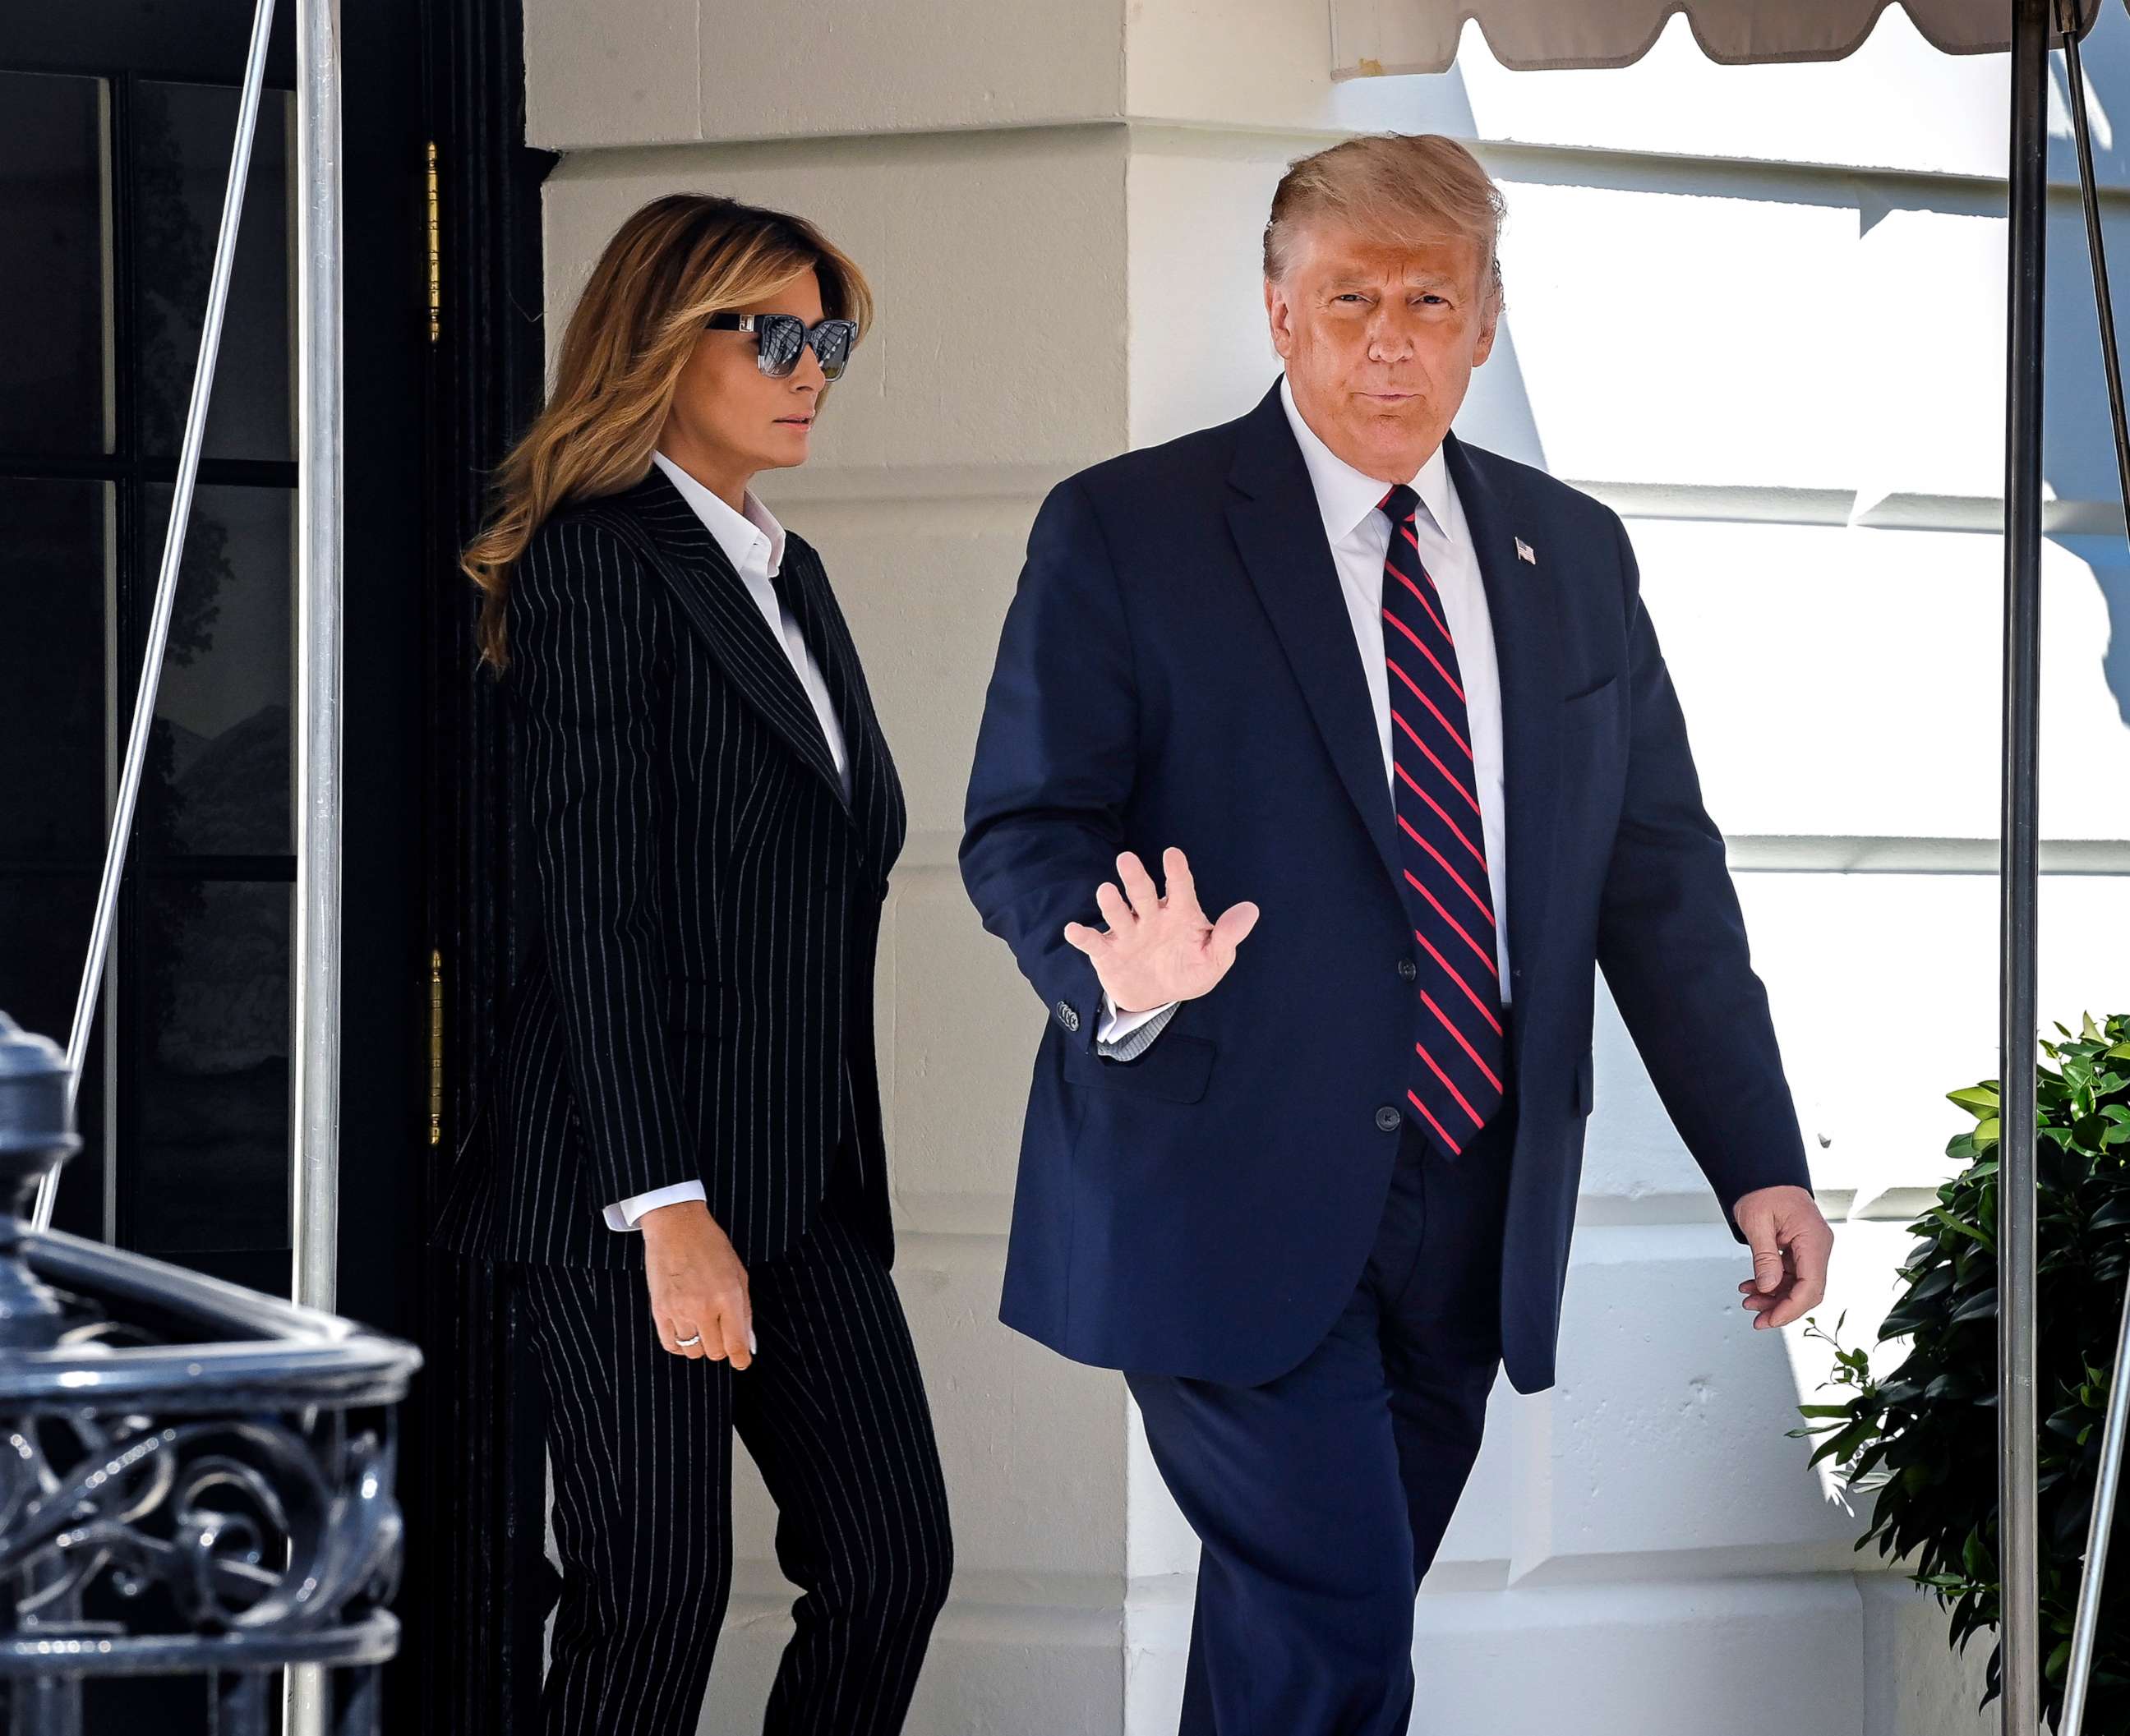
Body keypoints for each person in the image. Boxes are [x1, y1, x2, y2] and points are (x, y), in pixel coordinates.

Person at [960, 132, 1834, 1735]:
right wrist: (1108, 966)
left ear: (1487, 319)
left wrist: (1757, 1157)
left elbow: (1659, 879)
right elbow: (1025, 824)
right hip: (1219, 1179)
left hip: (1473, 1198)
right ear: (1280, 311)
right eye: (1349, 294)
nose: (1389, 335)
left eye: (1430, 297)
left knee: (1299, 1647)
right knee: (1342, 1628)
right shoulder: (1128, 532)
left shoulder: (1570, 558)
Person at [436, 194, 952, 1736]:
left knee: (888, 1565)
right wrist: (667, 1208)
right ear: (667, 341)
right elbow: (588, 906)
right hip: (627, 1191)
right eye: (777, 335)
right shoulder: (599, 562)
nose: (812, 370)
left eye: (830, 339)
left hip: (802, 1185)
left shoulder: (788, 576)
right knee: (649, 1609)